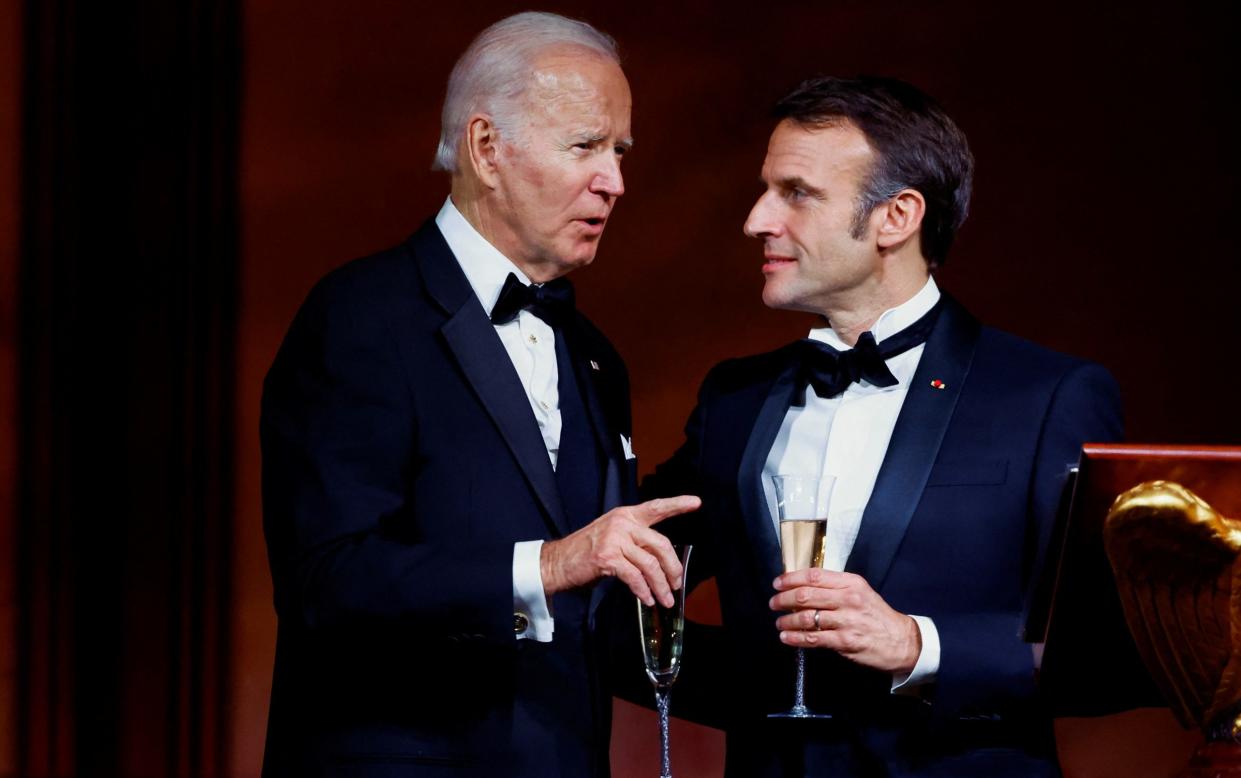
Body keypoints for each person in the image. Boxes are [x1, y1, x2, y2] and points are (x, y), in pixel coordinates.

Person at [259, 12, 697, 777]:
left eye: (620, 151)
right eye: (585, 146)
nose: (615, 181)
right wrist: (547, 566)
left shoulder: (594, 356)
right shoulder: (363, 316)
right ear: (487, 148)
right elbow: (326, 584)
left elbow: (597, 624)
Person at [645, 76, 1123, 776]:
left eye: (796, 193)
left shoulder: (1048, 395)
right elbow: (630, 590)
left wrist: (916, 645)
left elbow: (1111, 651)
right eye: (765, 189)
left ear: (895, 217)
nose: (756, 219)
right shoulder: (734, 399)